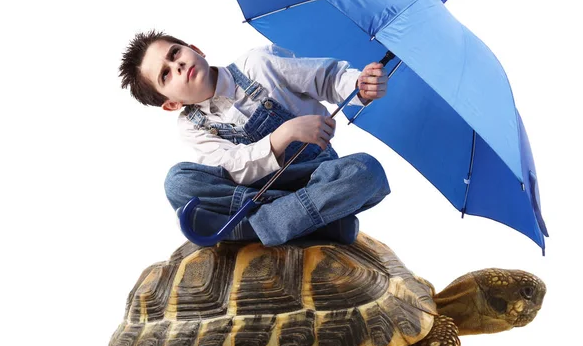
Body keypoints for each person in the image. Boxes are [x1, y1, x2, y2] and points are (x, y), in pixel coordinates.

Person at [119, 30, 391, 246]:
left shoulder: (258, 63)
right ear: (171, 104)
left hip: (317, 175)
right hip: (255, 193)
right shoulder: (191, 126)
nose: (177, 65)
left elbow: (327, 79)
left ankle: (250, 227)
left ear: (196, 50)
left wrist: (359, 87)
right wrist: (283, 135)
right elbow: (233, 168)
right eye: (165, 74)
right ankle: (316, 220)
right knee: (178, 181)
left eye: (175, 53)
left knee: (367, 172)